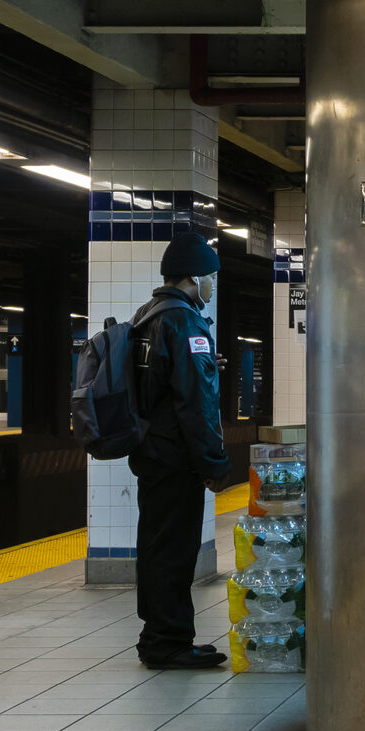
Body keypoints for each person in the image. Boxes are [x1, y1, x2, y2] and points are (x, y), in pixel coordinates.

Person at [128, 233, 233, 670]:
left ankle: (159, 635)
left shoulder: (148, 314)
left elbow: (167, 382)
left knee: (156, 547)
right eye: (209, 277)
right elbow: (196, 402)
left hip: (151, 452)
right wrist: (213, 462)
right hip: (175, 458)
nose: (211, 284)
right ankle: (168, 643)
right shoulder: (184, 321)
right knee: (173, 551)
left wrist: (207, 364)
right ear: (193, 277)